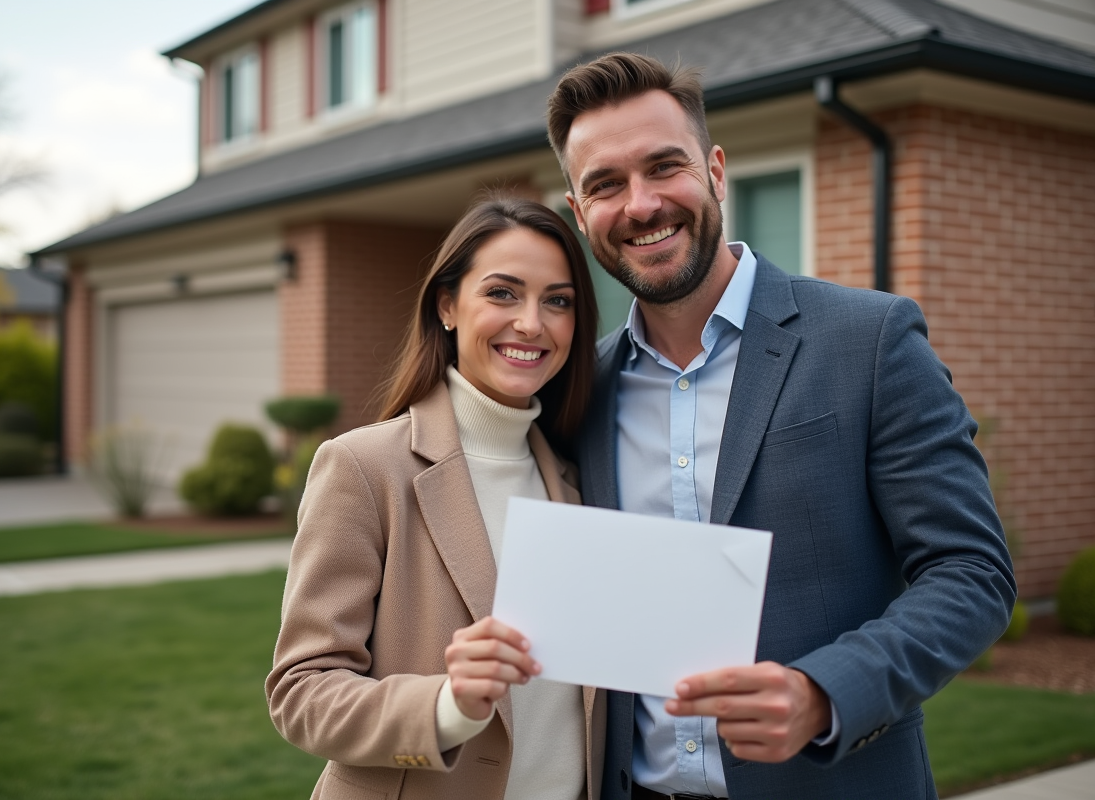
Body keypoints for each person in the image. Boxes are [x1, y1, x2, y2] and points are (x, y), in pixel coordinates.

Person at [545, 53, 1016, 800]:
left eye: (664, 167)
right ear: (579, 212)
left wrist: (822, 693)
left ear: (716, 172)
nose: (640, 205)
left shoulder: (870, 340)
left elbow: (971, 573)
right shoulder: (579, 389)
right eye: (605, 184)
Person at [265, 196, 605, 800]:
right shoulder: (364, 468)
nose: (532, 322)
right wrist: (447, 704)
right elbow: (302, 690)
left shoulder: (580, 483)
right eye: (502, 293)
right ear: (447, 305)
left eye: (558, 300)